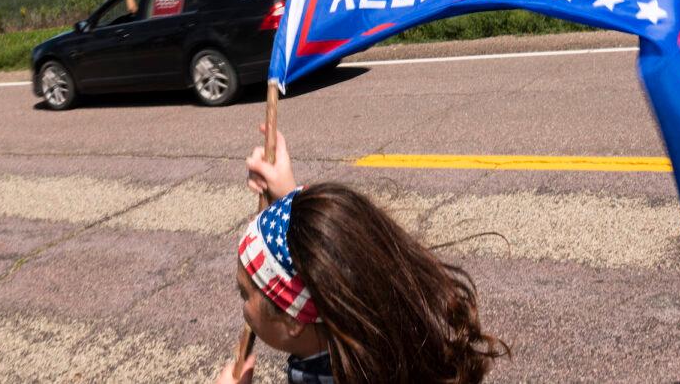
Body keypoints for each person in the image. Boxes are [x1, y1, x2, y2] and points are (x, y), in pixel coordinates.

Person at [215, 126, 507, 384]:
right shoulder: (377, 336)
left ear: (293, 322)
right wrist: (290, 202)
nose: (244, 307)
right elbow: (332, 255)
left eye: (245, 293)